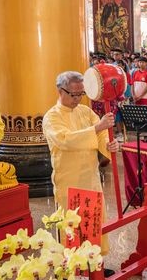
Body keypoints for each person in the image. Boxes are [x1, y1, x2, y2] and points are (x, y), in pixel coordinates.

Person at [42, 71, 119, 260]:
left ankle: (95, 262)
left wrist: (109, 145)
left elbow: (101, 135)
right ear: (60, 90)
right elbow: (65, 140)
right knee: (72, 223)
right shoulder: (52, 117)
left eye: (81, 94)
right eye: (73, 94)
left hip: (90, 176)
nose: (77, 99)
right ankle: (74, 264)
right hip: (69, 178)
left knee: (92, 219)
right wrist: (97, 128)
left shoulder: (85, 111)